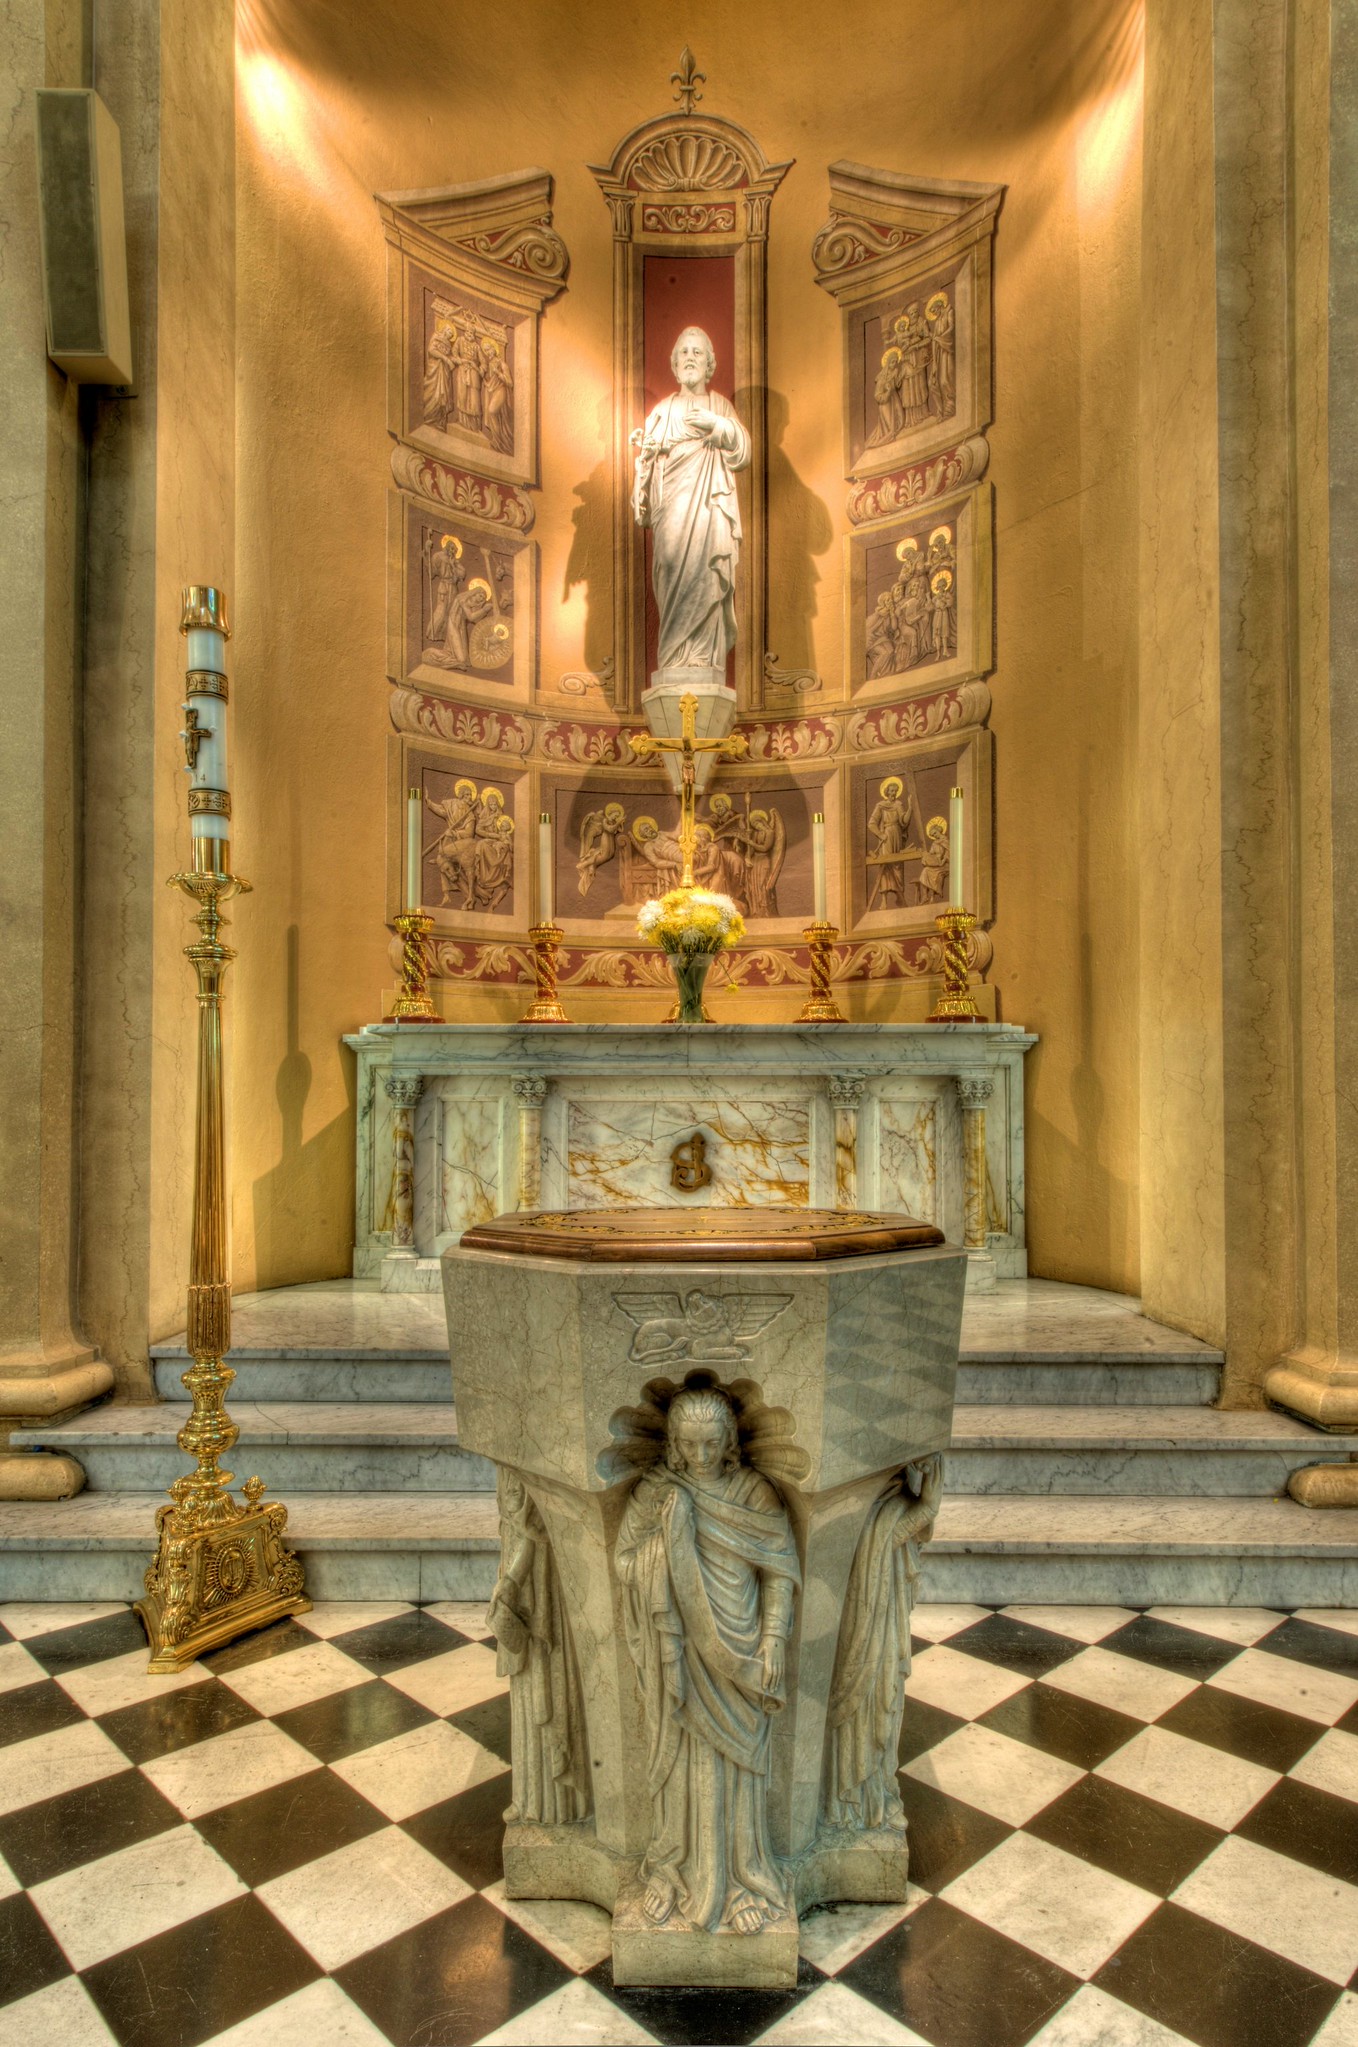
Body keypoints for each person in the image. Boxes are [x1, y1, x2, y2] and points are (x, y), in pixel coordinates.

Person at [616, 1385, 800, 1935]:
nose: (700, 1455)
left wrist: (773, 1638)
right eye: (689, 1444)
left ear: (729, 1441)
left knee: (739, 1767)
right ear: (673, 1442)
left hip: (741, 1647)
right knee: (682, 1757)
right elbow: (624, 1560)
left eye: (711, 1444)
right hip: (679, 1649)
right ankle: (673, 1872)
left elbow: (778, 1571)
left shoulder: (753, 1493)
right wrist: (665, 1547)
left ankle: (742, 1879)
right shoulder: (656, 1491)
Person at [631, 326, 751, 674]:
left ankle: (703, 658)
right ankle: (673, 659)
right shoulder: (662, 410)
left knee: (707, 573)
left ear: (709, 363)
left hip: (708, 506)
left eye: (697, 352)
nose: (690, 358)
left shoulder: (719, 406)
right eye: (684, 352)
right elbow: (648, 463)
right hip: (671, 506)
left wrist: (718, 425)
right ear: (674, 363)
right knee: (670, 565)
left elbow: (743, 449)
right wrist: (645, 459)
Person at [426, 535, 465, 646]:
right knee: (441, 610)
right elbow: (432, 571)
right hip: (444, 587)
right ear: (447, 547)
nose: (453, 552)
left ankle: (445, 637)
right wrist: (427, 550)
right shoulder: (439, 556)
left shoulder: (455, 562)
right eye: (451, 549)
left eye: (455, 550)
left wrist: (453, 565)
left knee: (451, 612)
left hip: (453, 588)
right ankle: (432, 633)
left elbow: (462, 574)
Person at [481, 338, 514, 454]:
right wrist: (486, 382)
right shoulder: (490, 365)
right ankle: (496, 440)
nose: (488, 352)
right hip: (493, 391)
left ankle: (499, 441)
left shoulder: (502, 364)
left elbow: (510, 382)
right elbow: (491, 382)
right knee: (492, 415)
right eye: (486, 351)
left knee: (492, 411)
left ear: (494, 349)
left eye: (489, 349)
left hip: (501, 391)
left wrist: (498, 373)